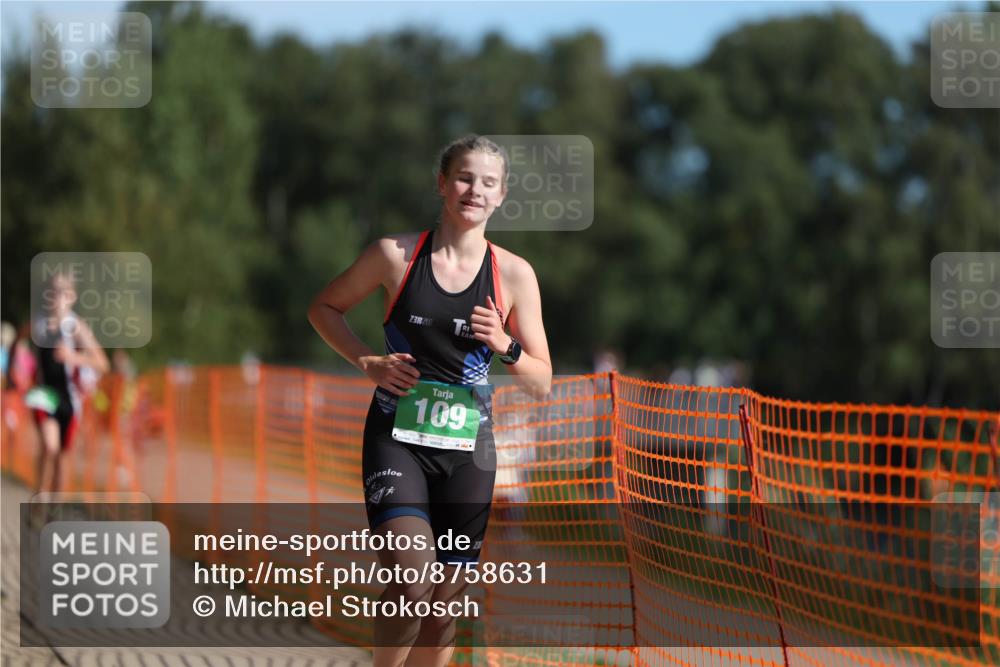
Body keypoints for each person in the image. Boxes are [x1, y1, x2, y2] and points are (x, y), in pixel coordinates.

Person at [308, 135, 552, 667]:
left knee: (444, 609)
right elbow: (324, 308)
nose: (475, 190)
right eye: (465, 177)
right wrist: (366, 361)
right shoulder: (394, 256)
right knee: (410, 579)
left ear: (502, 196)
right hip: (398, 441)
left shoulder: (513, 274)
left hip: (469, 453)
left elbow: (540, 381)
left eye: (488, 182)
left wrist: (504, 346)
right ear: (442, 184)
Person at [27, 269, 110, 499]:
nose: (55, 296)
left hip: (69, 399)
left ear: (72, 296)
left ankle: (54, 509)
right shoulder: (39, 323)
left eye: (62, 292)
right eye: (52, 291)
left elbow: (103, 363)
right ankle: (40, 495)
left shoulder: (76, 327)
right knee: (49, 446)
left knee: (62, 459)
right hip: (44, 394)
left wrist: (73, 357)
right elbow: (23, 344)